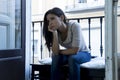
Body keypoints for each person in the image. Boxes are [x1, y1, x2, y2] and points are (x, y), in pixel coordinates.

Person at [43, 7, 91, 80]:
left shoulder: (74, 25)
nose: (50, 23)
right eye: (48, 21)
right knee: (56, 58)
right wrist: (54, 33)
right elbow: (55, 53)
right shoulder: (56, 31)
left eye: (52, 19)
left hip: (84, 53)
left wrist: (59, 52)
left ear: (61, 17)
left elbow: (75, 50)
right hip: (69, 53)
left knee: (73, 58)